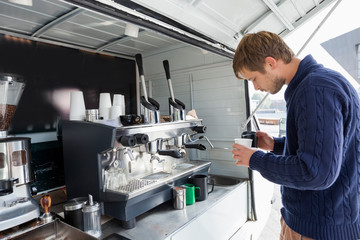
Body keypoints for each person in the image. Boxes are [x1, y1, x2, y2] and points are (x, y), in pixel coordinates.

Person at [231, 31, 360, 240]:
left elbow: (316, 173)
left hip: (317, 231)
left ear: (271, 63)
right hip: (323, 223)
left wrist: (255, 159)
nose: (255, 87)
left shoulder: (314, 88)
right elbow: (329, 148)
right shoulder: (318, 83)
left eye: (254, 78)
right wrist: (275, 145)